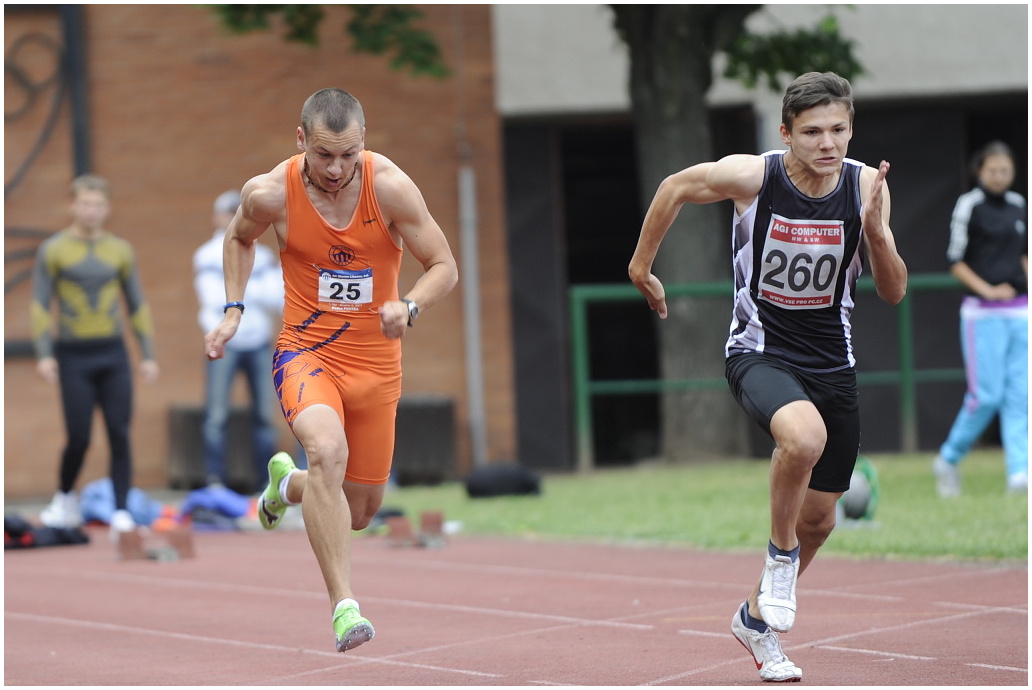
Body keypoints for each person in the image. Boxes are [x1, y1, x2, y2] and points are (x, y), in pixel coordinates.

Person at [628, 72, 907, 682]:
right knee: (803, 439)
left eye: (838, 130)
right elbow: (676, 187)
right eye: (812, 132)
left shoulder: (866, 187)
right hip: (760, 352)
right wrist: (642, 267)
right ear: (785, 133)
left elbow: (893, 291)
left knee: (821, 520)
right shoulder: (756, 177)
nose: (827, 143)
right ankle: (780, 559)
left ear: (851, 129)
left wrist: (877, 233)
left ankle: (755, 618)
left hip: (833, 364)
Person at [203, 88, 458, 653]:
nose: (337, 168)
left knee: (360, 510)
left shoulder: (389, 187)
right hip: (306, 353)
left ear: (363, 141)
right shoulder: (271, 193)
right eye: (323, 155)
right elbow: (239, 237)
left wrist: (410, 305)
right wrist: (233, 309)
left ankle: (285, 485)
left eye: (348, 154)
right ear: (301, 140)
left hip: (376, 363)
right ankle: (345, 607)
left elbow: (443, 265)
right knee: (325, 451)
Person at [31, 174, 160, 536]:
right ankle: (64, 498)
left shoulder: (120, 250)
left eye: (98, 205)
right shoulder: (54, 249)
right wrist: (44, 354)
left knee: (119, 432)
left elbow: (137, 303)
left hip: (113, 353)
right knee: (79, 437)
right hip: (73, 355)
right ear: (73, 206)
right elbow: (40, 305)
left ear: (107, 209)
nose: (91, 211)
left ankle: (121, 510)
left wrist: (147, 354)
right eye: (85, 204)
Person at [932, 141, 1027, 497]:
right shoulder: (969, 205)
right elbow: (955, 260)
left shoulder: (1019, 205)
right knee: (986, 396)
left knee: (1021, 395)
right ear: (980, 171)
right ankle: (948, 458)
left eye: (1005, 170)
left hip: (1021, 312)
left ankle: (1020, 473)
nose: (999, 176)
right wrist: (988, 290)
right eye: (993, 170)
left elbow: (1023, 256)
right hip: (982, 314)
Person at [193, 189, 284, 491]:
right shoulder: (207, 254)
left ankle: (266, 483)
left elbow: (277, 298)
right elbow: (213, 298)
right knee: (217, 414)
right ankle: (215, 480)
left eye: (238, 211)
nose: (234, 217)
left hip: (259, 340)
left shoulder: (265, 255)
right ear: (217, 217)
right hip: (225, 342)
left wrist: (237, 291)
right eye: (228, 211)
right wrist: (252, 286)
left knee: (265, 415)